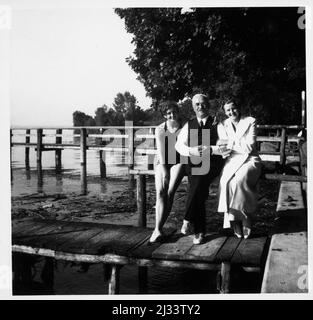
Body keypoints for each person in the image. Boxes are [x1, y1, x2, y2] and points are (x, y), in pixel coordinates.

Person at [175, 94, 225, 244]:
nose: (200, 106)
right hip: (193, 162)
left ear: (208, 105)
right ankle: (199, 231)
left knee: (197, 182)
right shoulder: (189, 124)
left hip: (212, 163)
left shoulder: (217, 123)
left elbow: (224, 147)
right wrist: (191, 151)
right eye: (196, 104)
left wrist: (209, 149)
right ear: (193, 107)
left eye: (203, 104)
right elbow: (179, 145)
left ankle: (188, 219)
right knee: (199, 190)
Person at [217, 97, 262, 239]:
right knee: (226, 183)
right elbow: (222, 145)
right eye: (228, 110)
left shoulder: (250, 121)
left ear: (239, 108)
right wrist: (223, 147)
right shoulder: (224, 124)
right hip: (233, 160)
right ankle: (233, 220)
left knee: (239, 181)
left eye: (233, 108)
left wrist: (229, 144)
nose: (232, 112)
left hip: (250, 159)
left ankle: (246, 218)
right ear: (225, 112)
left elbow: (250, 146)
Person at [149, 101, 186, 243]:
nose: (172, 115)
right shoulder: (160, 129)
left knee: (170, 192)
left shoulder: (184, 126)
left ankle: (158, 228)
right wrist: (165, 172)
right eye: (168, 113)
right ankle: (157, 230)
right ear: (164, 115)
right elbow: (160, 152)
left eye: (174, 111)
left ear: (178, 111)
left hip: (179, 160)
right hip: (162, 160)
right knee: (160, 192)